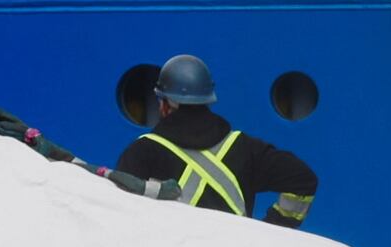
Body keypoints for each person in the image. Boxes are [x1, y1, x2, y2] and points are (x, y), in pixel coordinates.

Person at [114, 54, 318, 229]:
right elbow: (302, 179)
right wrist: (272, 229)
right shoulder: (245, 148)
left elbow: (120, 215)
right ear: (206, 99)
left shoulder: (143, 152)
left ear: (166, 103)